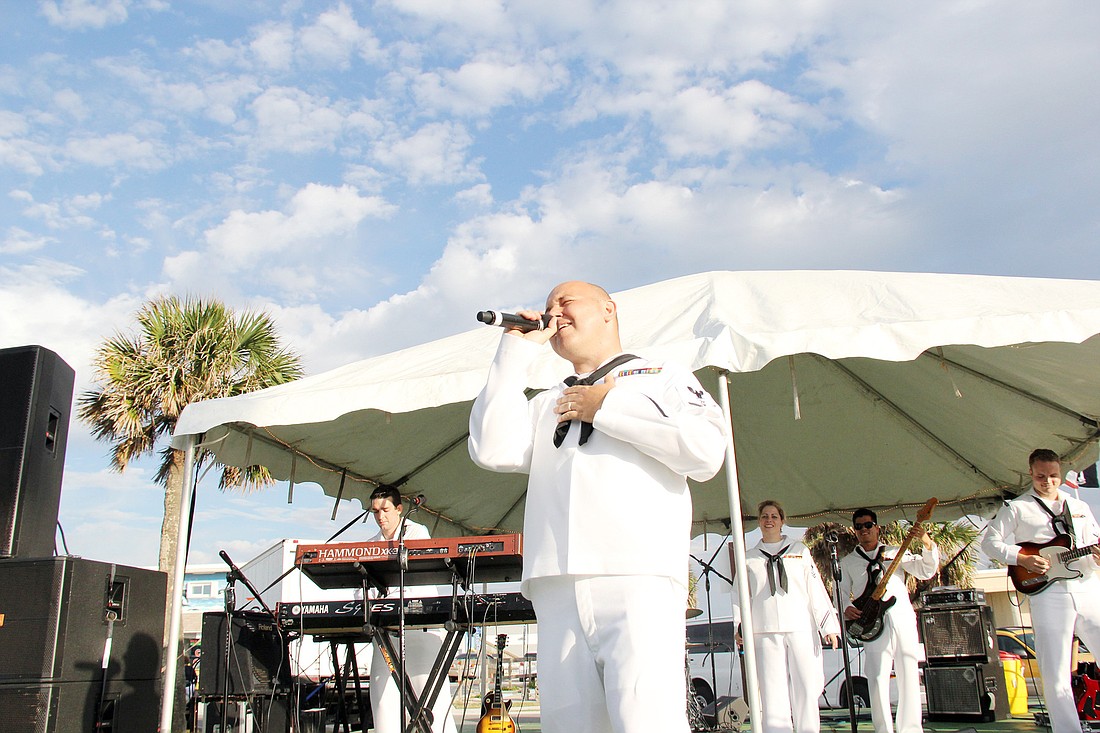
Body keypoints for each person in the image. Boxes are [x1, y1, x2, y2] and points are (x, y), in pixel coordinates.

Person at [468, 280, 727, 733]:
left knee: (646, 719)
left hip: (635, 574)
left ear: (609, 309)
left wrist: (606, 407)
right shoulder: (548, 398)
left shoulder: (662, 375)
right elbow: (491, 448)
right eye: (549, 306)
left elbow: (705, 452)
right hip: (555, 583)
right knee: (570, 724)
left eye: (566, 302)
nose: (555, 312)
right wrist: (513, 355)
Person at [981, 448, 1100, 733]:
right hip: (1049, 593)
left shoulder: (1079, 506)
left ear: (1062, 474)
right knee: (1055, 669)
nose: (1048, 481)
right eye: (1041, 476)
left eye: (1054, 476)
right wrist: (1021, 558)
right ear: (1031, 473)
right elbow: (990, 542)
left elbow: (1093, 540)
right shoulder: (1018, 508)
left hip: (1087, 586)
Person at [738, 500, 840, 733]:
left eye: (774, 516)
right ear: (759, 521)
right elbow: (740, 596)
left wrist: (828, 627)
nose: (769, 520)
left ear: (782, 521)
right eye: (764, 516)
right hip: (764, 629)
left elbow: (815, 588)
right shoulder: (749, 558)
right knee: (772, 692)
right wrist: (740, 627)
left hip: (800, 626)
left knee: (806, 686)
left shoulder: (799, 550)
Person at [365, 485, 458, 733]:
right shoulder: (369, 544)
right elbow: (360, 591)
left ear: (399, 509)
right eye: (375, 512)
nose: (380, 517)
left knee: (434, 712)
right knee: (384, 712)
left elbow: (414, 584)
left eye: (385, 510)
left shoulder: (416, 533)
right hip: (385, 637)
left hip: (421, 634)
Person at [838, 508, 937, 733]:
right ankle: (883, 729)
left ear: (877, 527)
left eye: (868, 525)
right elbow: (840, 592)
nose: (865, 530)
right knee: (877, 676)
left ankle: (911, 728)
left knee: (909, 673)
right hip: (871, 624)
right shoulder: (848, 562)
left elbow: (925, 570)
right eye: (859, 527)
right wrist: (846, 608)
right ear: (855, 531)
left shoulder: (895, 552)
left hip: (901, 617)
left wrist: (926, 541)